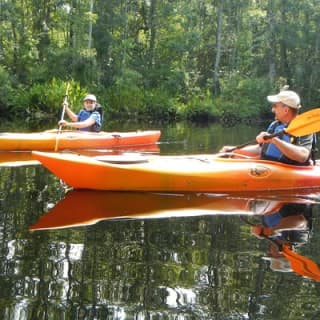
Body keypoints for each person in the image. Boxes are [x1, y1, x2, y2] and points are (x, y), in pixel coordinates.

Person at [220, 88, 316, 165]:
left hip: (292, 172)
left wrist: (274, 140)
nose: (272, 109)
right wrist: (235, 150)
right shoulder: (275, 125)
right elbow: (260, 149)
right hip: (268, 166)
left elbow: (303, 156)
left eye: (275, 106)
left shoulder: (304, 128)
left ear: (286, 110)